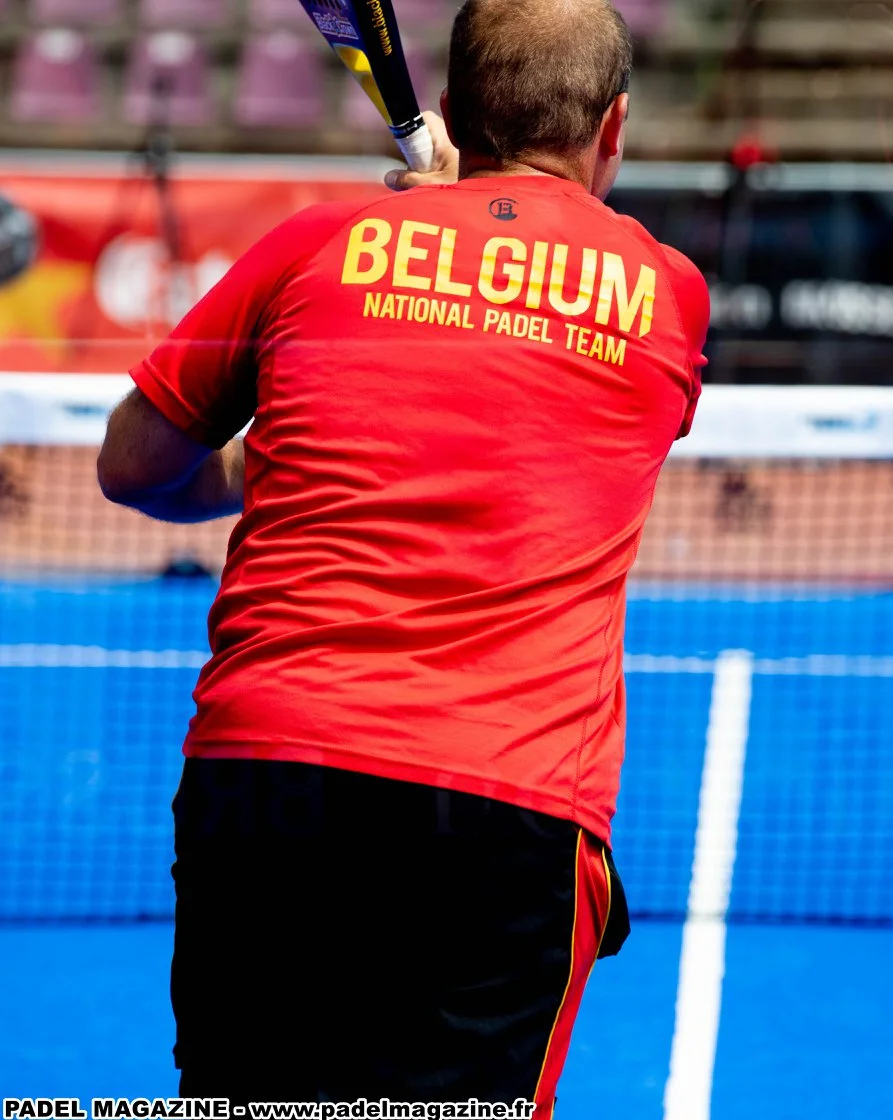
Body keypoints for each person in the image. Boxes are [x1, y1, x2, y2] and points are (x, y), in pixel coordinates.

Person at [96, 0, 709, 1110]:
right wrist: (467, 229)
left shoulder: (310, 246)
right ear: (613, 127)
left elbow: (134, 462)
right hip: (501, 806)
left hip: (264, 775)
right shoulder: (665, 291)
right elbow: (515, 396)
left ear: (462, 112)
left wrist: (437, 229)